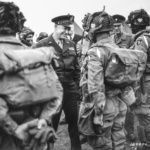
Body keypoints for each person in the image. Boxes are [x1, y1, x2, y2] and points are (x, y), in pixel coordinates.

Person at [0, 1, 63, 150]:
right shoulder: (36, 54)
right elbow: (57, 91)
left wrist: (15, 129)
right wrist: (43, 119)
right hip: (35, 133)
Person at [79, 9, 129, 150]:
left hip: (104, 106)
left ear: (94, 30)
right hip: (119, 103)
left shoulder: (96, 52)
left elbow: (95, 85)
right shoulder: (118, 49)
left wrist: (98, 113)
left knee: (102, 144)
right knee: (118, 140)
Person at [33, 14, 81, 150]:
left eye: (69, 29)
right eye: (64, 28)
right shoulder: (41, 45)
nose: (67, 32)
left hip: (70, 91)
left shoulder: (71, 44)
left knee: (74, 126)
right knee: (51, 127)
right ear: (55, 27)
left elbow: (77, 69)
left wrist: (76, 88)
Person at [126, 9, 150, 150]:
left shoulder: (142, 40)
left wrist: (133, 87)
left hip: (144, 82)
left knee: (143, 114)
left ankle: (145, 145)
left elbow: (139, 66)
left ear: (135, 24)